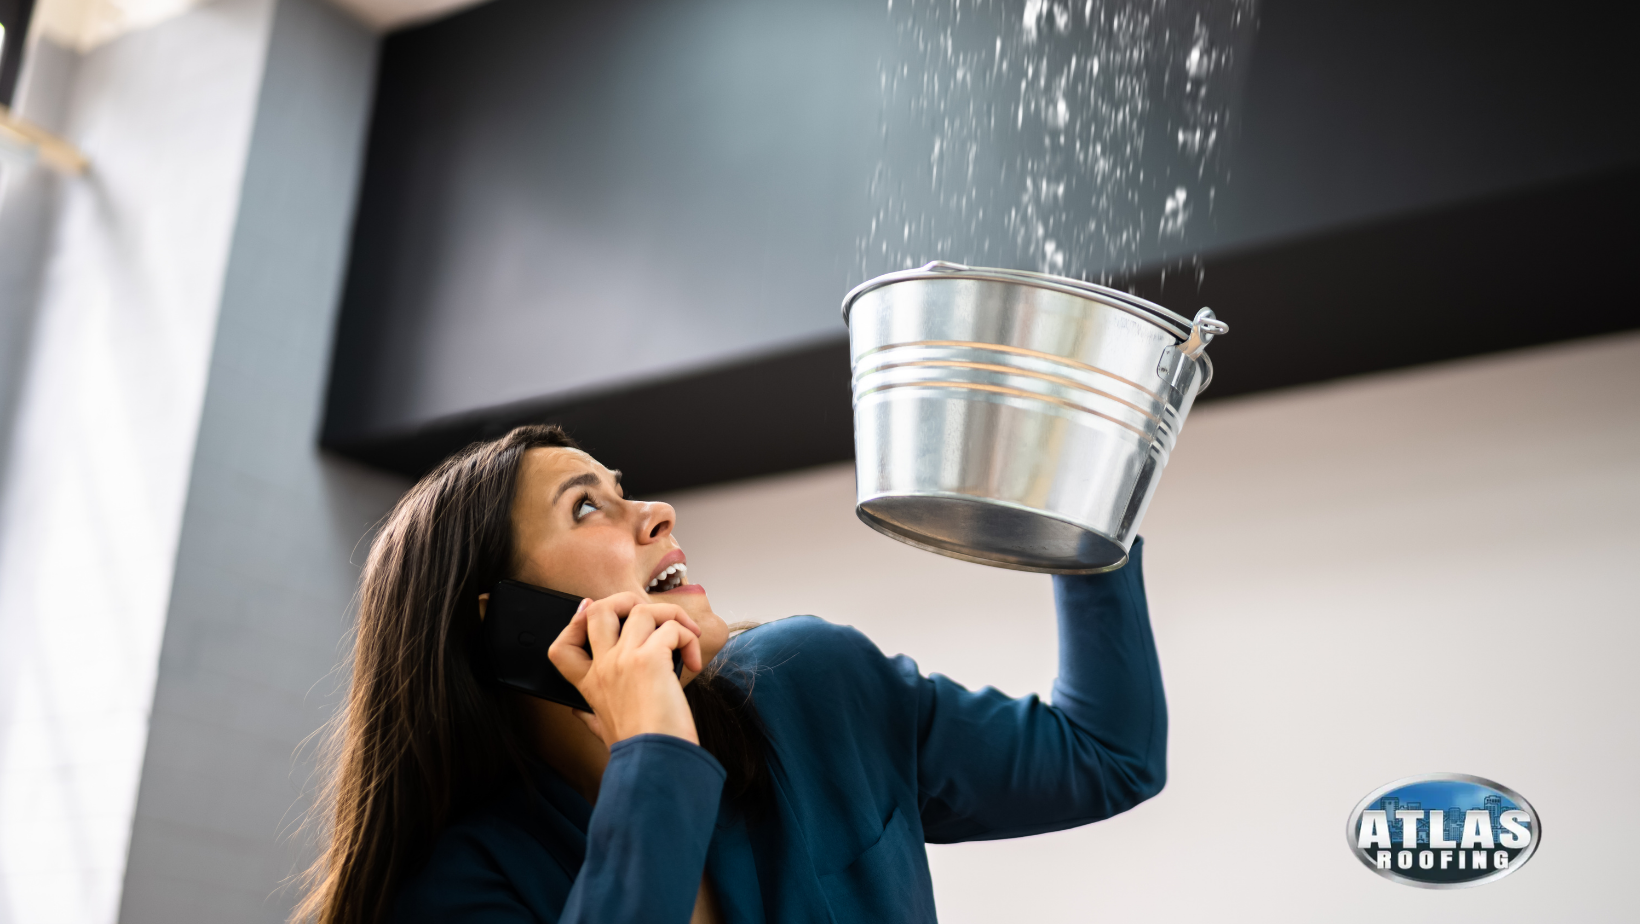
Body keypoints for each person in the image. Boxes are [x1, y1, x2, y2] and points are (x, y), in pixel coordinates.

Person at [293, 424, 1166, 924]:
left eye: (625, 488)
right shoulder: (461, 891)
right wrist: (653, 756)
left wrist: (1089, 510)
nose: (657, 512)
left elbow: (1107, 754)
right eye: (589, 506)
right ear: (506, 622)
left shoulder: (812, 684)